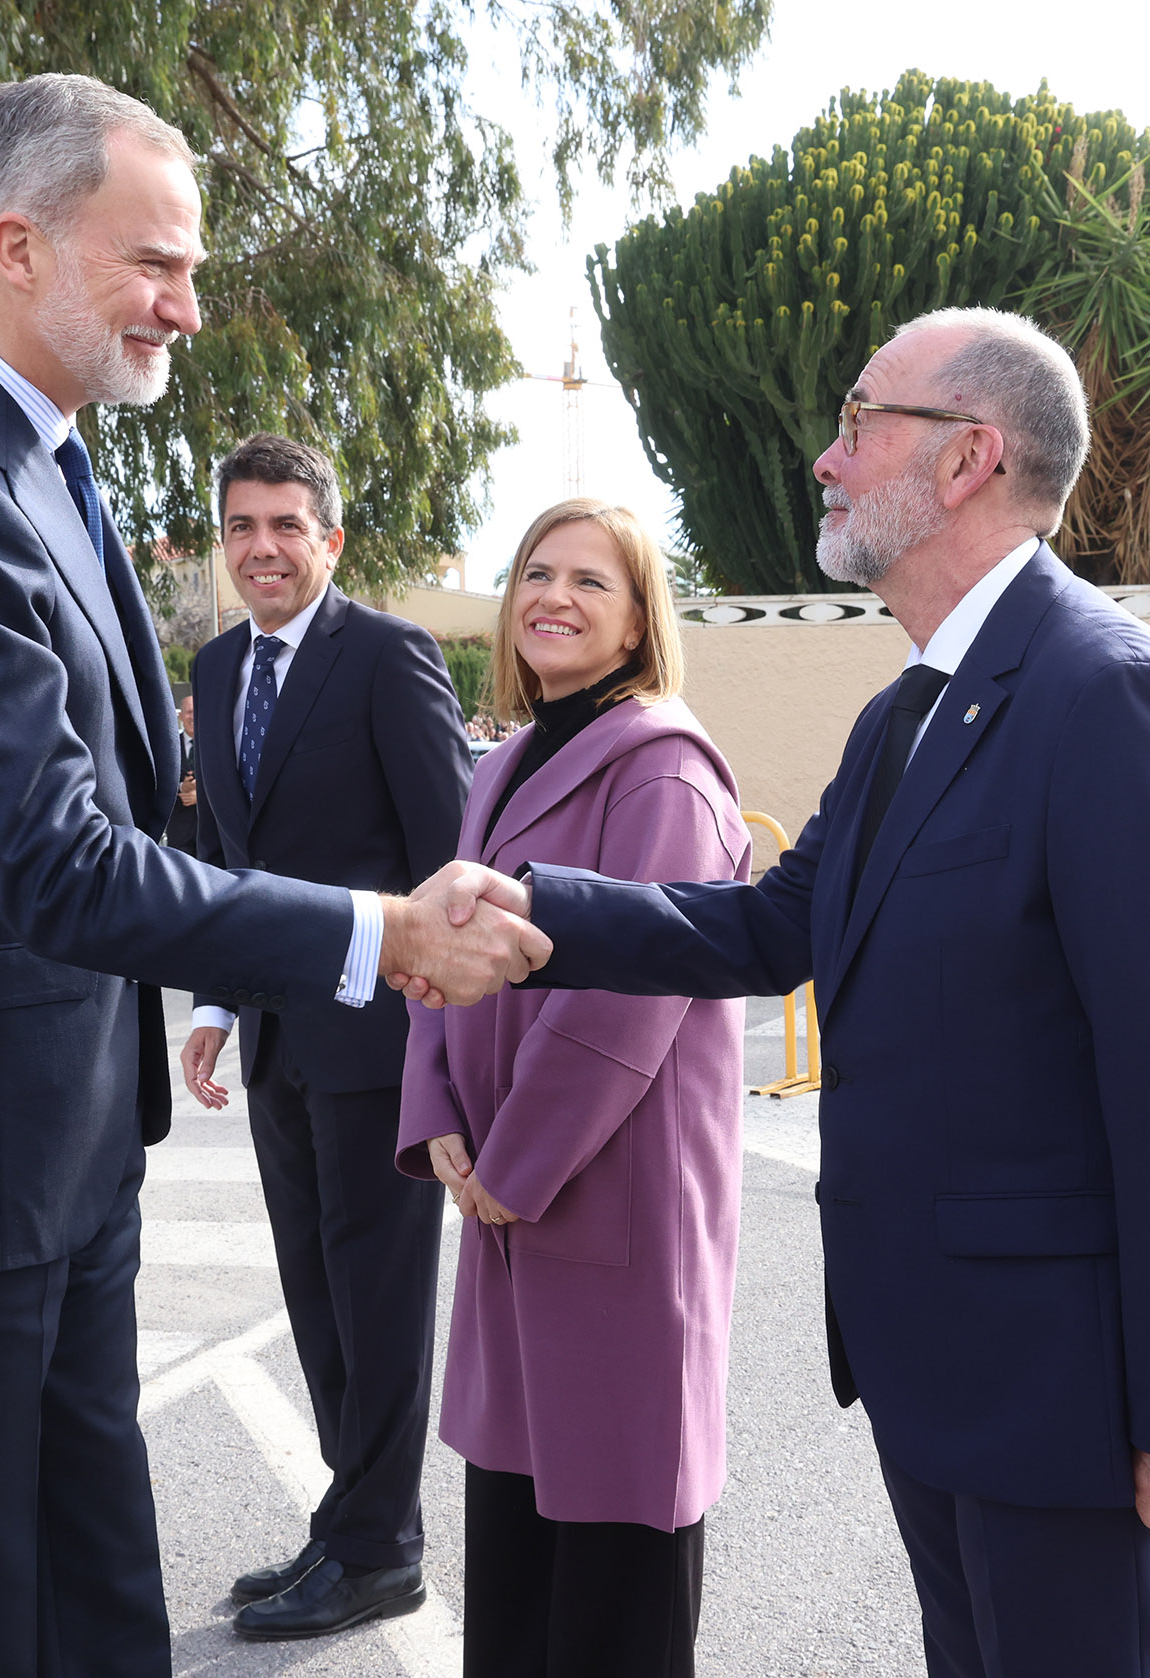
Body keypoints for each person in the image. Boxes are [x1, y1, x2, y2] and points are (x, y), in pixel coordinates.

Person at [0, 74, 546, 1678]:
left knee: (99, 1621)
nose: (188, 304)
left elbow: (126, 809)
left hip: (60, 1160)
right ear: (17, 245)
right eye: (155, 262)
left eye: (192, 265)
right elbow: (55, 856)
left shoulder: (48, 457)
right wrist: (375, 931)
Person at [404, 307, 1150, 1678]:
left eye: (859, 422)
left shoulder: (1103, 695)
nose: (825, 459)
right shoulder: (907, 711)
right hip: (937, 1374)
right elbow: (770, 925)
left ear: (966, 459)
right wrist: (534, 906)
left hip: (1072, 1398)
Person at [396, 499, 749, 1678]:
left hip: (607, 1202)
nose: (553, 595)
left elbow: (625, 1001)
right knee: (513, 1555)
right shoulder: (499, 764)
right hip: (502, 1196)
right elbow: (437, 948)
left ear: (640, 618)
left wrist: (513, 1163)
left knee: (612, 1566)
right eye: (536, 572)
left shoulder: (666, 770)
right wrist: (435, 1115)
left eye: (591, 581)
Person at [181, 432, 471, 1639]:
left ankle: (381, 1550)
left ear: (330, 539)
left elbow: (449, 856)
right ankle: (345, 1518)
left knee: (379, 1301)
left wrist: (452, 1060)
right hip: (275, 1043)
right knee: (316, 1296)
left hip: (381, 1042)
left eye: (285, 525)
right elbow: (221, 860)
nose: (262, 548)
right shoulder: (213, 667)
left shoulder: (388, 656)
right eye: (241, 526)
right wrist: (213, 1006)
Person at [164, 691, 199, 854]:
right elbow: (160, 781)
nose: (192, 717)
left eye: (195, 711)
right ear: (181, 716)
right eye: (188, 712)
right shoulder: (169, 746)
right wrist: (181, 787)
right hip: (179, 831)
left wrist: (201, 796)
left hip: (210, 830)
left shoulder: (215, 745)